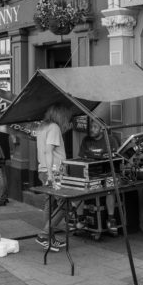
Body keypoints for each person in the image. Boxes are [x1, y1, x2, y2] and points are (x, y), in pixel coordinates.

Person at [35, 104, 74, 250]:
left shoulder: (43, 127)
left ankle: (49, 239)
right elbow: (48, 151)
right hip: (54, 172)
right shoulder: (54, 128)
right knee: (66, 204)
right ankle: (45, 234)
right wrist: (51, 175)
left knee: (49, 204)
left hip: (43, 170)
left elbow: (46, 149)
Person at [75, 119, 122, 234]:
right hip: (90, 173)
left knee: (111, 188)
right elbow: (81, 157)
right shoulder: (86, 140)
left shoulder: (110, 139)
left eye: (95, 127)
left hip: (107, 172)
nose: (91, 129)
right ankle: (80, 218)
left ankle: (111, 219)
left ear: (102, 128)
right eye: (91, 127)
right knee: (76, 187)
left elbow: (117, 158)